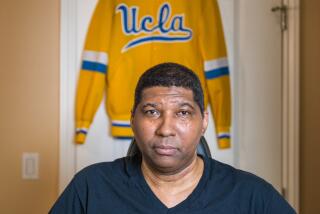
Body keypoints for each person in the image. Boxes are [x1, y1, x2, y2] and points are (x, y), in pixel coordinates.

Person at [50, 63, 296, 213]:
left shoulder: (251, 195)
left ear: (204, 122)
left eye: (183, 113)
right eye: (152, 112)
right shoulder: (91, 187)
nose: (166, 129)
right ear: (132, 120)